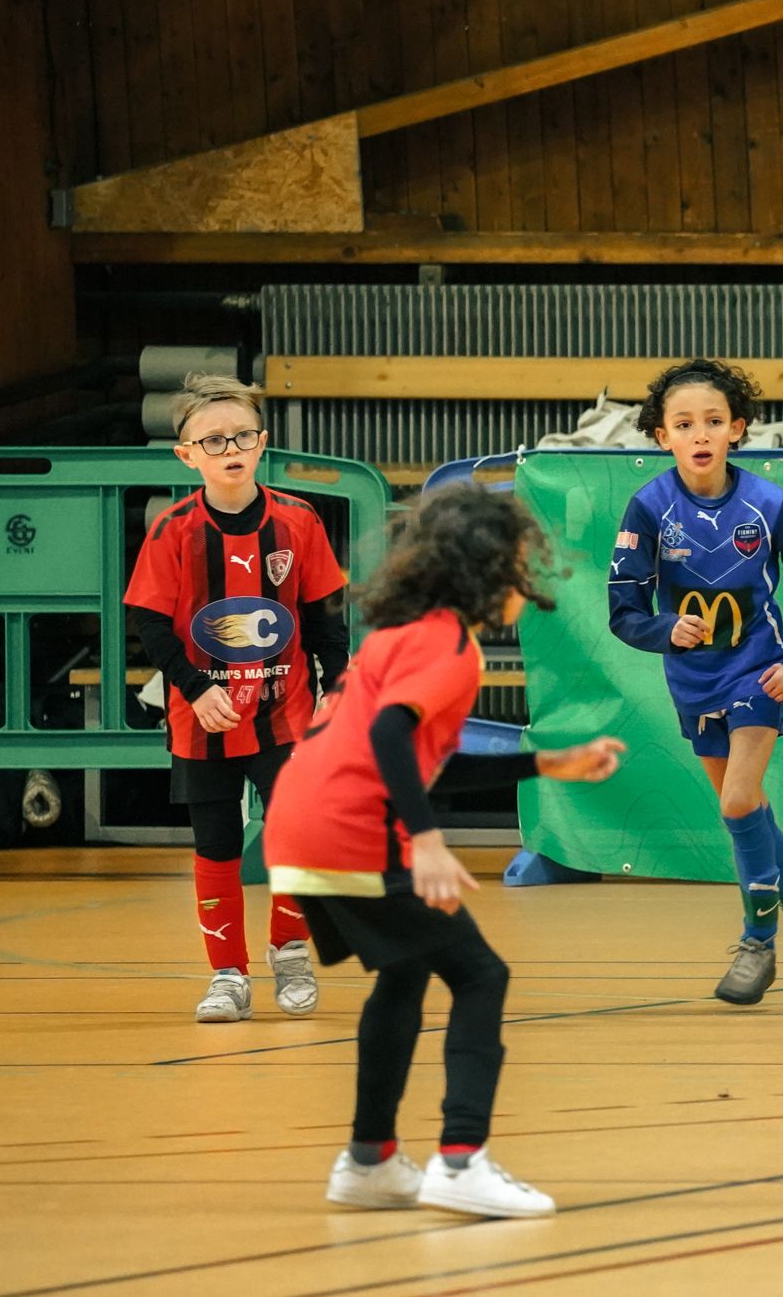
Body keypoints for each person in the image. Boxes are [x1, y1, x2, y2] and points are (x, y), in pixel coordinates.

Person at [265, 484, 626, 1217]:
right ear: (489, 570)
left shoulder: (403, 633)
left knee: (403, 974)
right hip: (352, 826)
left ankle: (370, 1160)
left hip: (300, 819)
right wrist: (425, 840)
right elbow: (389, 738)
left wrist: (545, 764)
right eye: (522, 562)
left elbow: (419, 757)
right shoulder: (451, 648)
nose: (530, 576)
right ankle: (462, 1160)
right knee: (480, 974)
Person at [608, 359, 783, 1006]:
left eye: (714, 421)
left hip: (758, 672)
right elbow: (623, 610)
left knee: (739, 800)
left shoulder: (769, 503)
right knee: (744, 808)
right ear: (663, 436)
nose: (700, 433)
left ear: (737, 429)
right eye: (684, 424)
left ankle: (756, 939)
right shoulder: (650, 507)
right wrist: (665, 629)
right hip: (693, 682)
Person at [122, 373, 348, 1023]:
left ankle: (291, 954)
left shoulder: (298, 522)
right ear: (186, 454)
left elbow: (325, 618)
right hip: (206, 721)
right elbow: (152, 623)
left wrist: (338, 683)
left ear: (262, 443)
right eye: (212, 439)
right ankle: (227, 975)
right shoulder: (173, 530)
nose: (230, 447)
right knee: (217, 843)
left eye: (242, 435)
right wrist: (194, 691)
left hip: (286, 715)